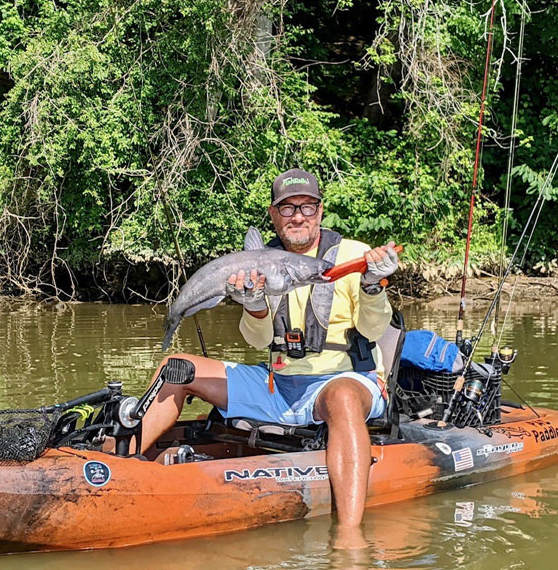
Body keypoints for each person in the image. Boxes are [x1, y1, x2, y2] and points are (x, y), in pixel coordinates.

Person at [137, 168, 400, 529]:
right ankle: (117, 468)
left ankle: (349, 538)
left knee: (341, 397)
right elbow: (258, 340)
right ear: (274, 216)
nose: (297, 216)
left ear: (320, 211)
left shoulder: (354, 256)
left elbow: (374, 329)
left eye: (307, 207)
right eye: (287, 208)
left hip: (345, 382)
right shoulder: (262, 262)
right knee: (176, 367)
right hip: (277, 384)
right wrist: (254, 304)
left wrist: (372, 285)